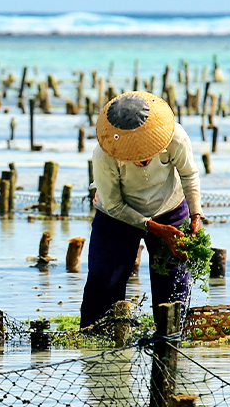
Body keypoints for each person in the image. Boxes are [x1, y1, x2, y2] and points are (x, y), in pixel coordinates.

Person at [80, 90, 202, 329]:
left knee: (174, 282)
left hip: (169, 206)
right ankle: (97, 338)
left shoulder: (174, 136)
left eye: (147, 156)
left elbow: (189, 175)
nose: (142, 161)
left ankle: (171, 335)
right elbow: (114, 205)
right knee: (105, 281)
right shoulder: (104, 155)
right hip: (115, 216)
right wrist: (154, 227)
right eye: (135, 157)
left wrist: (196, 216)